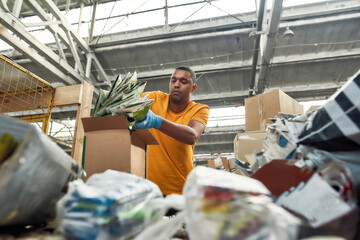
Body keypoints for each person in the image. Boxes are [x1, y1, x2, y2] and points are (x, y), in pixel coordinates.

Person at [133, 66, 209, 196]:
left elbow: (192, 135)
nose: (177, 85)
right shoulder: (155, 99)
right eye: (173, 81)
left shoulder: (200, 109)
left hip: (182, 191)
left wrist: (157, 122)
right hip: (151, 190)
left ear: (193, 88)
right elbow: (129, 101)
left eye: (183, 82)